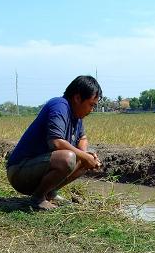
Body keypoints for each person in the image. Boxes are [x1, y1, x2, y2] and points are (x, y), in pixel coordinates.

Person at [6, 75, 103, 210]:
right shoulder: (59, 106)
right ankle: (38, 198)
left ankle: (48, 193)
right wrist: (84, 155)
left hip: (37, 169)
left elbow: (83, 138)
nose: (91, 110)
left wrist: (86, 155)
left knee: (83, 159)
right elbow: (56, 142)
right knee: (68, 158)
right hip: (19, 171)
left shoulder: (77, 116)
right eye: (91, 105)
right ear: (77, 98)